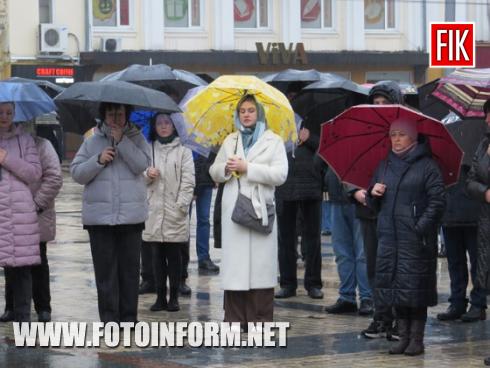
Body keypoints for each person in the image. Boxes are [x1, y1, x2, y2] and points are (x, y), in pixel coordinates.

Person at [368, 119, 446, 356]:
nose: (397, 139)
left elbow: (438, 201)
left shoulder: (427, 166)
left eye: (402, 135)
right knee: (395, 289)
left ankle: (416, 339)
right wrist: (374, 194)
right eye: (393, 135)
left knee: (415, 289)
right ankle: (402, 337)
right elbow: (374, 205)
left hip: (415, 240)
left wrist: (419, 227)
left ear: (413, 138)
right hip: (389, 238)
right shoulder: (384, 166)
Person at [209, 94, 288, 328]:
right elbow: (213, 170)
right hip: (234, 211)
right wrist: (225, 168)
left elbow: (280, 175)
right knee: (236, 268)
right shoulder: (230, 140)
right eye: (242, 110)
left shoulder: (273, 140)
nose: (246, 114)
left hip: (259, 210)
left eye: (251, 110)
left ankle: (260, 321)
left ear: (259, 113)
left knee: (260, 269)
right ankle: (234, 320)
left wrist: (248, 168)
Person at [71, 103, 151, 323]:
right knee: (105, 274)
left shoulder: (137, 138)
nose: (115, 119)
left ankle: (128, 318)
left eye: (120, 114)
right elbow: (76, 173)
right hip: (100, 219)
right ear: (103, 116)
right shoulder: (92, 141)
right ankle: (109, 319)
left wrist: (123, 142)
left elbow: (141, 164)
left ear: (127, 116)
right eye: (111, 114)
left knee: (129, 272)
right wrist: (98, 160)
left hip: (131, 217)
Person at [0, 125, 63, 323]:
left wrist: (36, 205)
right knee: (10, 260)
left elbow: (54, 178)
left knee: (37, 261)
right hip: (10, 213)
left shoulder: (42, 145)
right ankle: (11, 306)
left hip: (36, 212)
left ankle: (43, 307)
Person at [356, 81, 403, 338]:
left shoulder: (409, 132)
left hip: (397, 213)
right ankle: (381, 316)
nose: (381, 108)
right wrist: (357, 191)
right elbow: (350, 168)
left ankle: (398, 319)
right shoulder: (364, 132)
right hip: (370, 210)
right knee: (374, 267)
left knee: (396, 267)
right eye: (377, 104)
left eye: (386, 103)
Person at [275, 83, 324, 300]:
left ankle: (313, 283)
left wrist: (310, 138)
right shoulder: (276, 120)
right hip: (285, 185)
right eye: (290, 96)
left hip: (311, 185)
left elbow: (327, 148)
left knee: (312, 238)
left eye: (296, 96)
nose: (293, 100)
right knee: (286, 239)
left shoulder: (317, 120)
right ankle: (287, 283)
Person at [143, 113, 195, 312]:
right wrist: (148, 174)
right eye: (159, 123)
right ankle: (159, 297)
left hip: (175, 211)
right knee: (156, 256)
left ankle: (173, 296)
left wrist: (181, 205)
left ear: (174, 126)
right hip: (154, 210)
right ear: (154, 126)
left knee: (174, 256)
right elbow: (138, 177)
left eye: (167, 123)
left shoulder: (184, 152)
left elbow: (189, 182)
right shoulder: (148, 150)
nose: (163, 126)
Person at [0, 102, 42, 322]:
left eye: (9, 112)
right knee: (8, 265)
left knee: (22, 267)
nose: (5, 116)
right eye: (0, 112)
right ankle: (11, 309)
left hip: (19, 213)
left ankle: (23, 317)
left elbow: (34, 173)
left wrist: (6, 158)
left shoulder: (25, 140)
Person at [437, 164, 487, 322]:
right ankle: (457, 302)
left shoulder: (479, 145)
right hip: (449, 212)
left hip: (475, 213)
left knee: (478, 263)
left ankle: (478, 304)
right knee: (455, 263)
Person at [466, 99, 490, 366]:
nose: (486, 120)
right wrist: (484, 192)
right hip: (487, 224)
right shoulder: (484, 145)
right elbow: (470, 180)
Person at [192, 153, 220, 274]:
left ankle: (203, 257)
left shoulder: (210, 137)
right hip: (188, 180)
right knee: (182, 221)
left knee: (204, 220)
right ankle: (182, 258)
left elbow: (214, 159)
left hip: (206, 181)